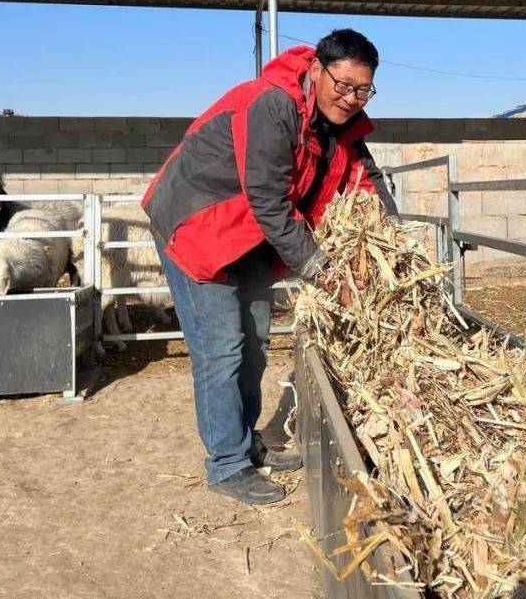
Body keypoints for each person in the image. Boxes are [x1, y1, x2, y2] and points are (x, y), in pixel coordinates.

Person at [142, 29, 398, 504]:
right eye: (343, 85)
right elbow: (267, 198)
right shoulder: (272, 106)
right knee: (221, 349)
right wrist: (323, 270)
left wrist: (396, 237)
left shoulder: (341, 123)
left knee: (255, 343)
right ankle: (227, 463)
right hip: (200, 227)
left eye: (363, 90)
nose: (351, 98)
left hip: (250, 239)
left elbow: (368, 179)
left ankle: (245, 442)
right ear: (318, 70)